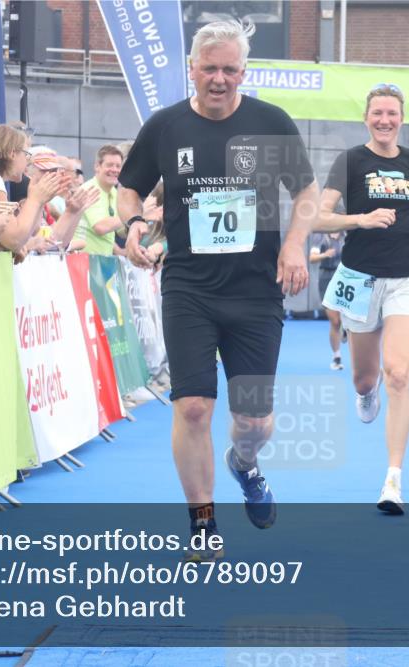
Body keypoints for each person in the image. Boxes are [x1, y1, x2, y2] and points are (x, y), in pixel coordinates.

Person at [118, 19, 318, 558]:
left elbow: (306, 192)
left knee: (253, 420)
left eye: (230, 69)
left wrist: (295, 244)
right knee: (193, 409)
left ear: (243, 71)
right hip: (189, 289)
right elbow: (128, 188)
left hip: (255, 293)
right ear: (192, 69)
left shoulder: (269, 123)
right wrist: (133, 224)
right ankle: (203, 523)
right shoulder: (165, 127)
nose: (220, 79)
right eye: (210, 69)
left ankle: (245, 463)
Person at [315, 83, 409, 515]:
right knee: (367, 379)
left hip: (408, 277)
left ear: (402, 117)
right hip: (361, 278)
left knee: (398, 372)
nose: (385, 120)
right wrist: (360, 219)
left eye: (392, 113)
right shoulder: (350, 161)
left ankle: (393, 479)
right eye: (377, 113)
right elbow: (318, 217)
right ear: (366, 117)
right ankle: (366, 393)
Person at [0, 125, 90, 256]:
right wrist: (35, 200)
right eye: (26, 154)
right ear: (12, 154)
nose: (27, 161)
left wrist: (39, 200)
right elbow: (14, 240)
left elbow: (26, 236)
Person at [75, 145, 124, 256]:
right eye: (110, 165)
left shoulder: (114, 193)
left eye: (118, 166)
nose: (115, 170)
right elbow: (101, 227)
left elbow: (120, 230)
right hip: (83, 262)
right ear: (97, 166)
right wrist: (135, 214)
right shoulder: (89, 189)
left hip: (101, 263)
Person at [309, 231, 345, 370]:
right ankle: (336, 357)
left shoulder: (346, 235)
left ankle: (345, 329)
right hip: (325, 279)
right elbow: (312, 258)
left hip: (344, 278)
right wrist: (325, 255)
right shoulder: (320, 236)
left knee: (345, 319)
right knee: (335, 321)